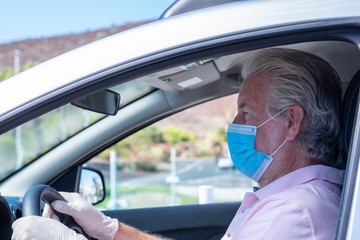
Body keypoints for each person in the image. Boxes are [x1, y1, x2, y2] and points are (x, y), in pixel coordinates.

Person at [12, 48, 345, 240]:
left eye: (246, 112)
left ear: (291, 122)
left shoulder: (291, 215)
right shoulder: (292, 201)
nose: (234, 126)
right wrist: (109, 231)